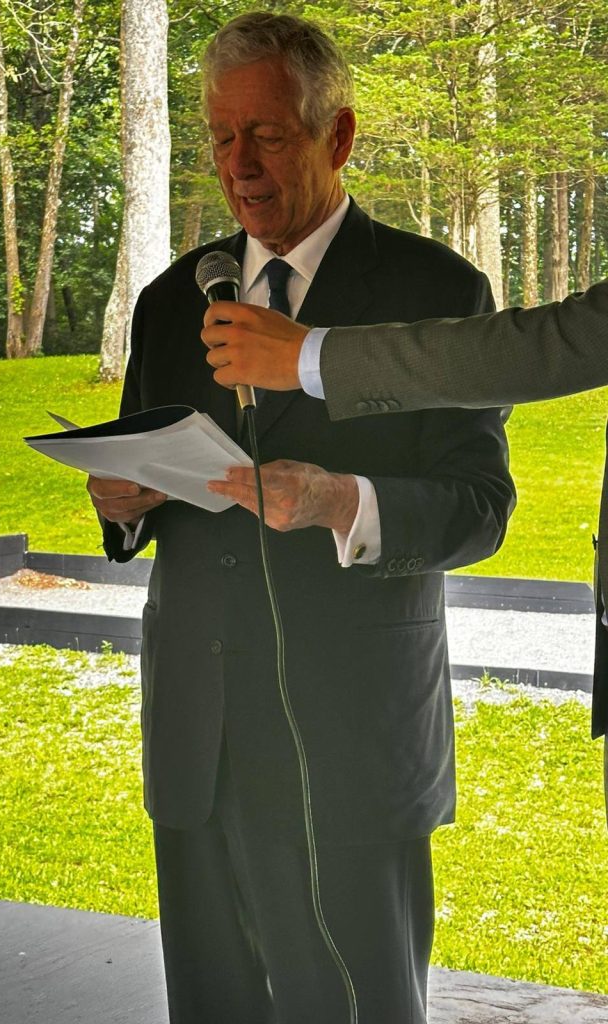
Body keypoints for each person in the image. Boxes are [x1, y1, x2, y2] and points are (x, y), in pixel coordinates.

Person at [88, 13, 515, 1024]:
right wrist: (123, 504)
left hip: (352, 742)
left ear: (339, 135)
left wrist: (338, 502)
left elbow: (479, 508)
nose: (238, 164)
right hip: (199, 739)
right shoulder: (171, 301)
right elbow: (144, 479)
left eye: (268, 135)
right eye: (220, 136)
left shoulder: (435, 292)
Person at [200, 282, 608, 786]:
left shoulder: (436, 279)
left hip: (367, 731)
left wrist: (310, 357)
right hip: (193, 738)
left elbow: (564, 339)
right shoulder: (172, 296)